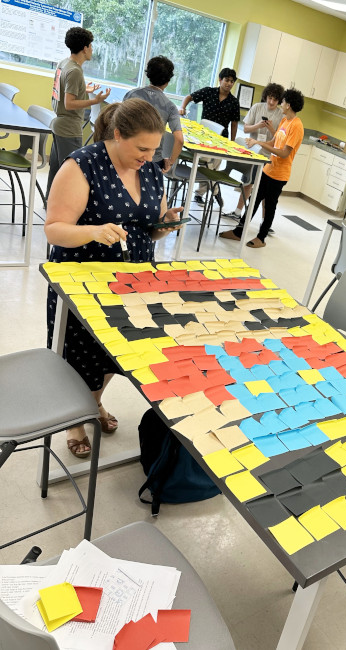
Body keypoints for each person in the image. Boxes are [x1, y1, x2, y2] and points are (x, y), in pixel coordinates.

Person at [45, 99, 184, 458]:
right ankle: (76, 420)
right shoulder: (83, 165)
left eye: (154, 149)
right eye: (142, 148)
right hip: (83, 281)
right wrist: (93, 231)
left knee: (111, 355)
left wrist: (164, 224)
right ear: (118, 134)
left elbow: (146, 231)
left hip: (132, 281)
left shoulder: (151, 171)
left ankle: (93, 405)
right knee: (81, 353)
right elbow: (55, 230)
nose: (148, 157)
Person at [219, 88, 304, 248]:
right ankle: (238, 232)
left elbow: (285, 152)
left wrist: (259, 143)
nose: (281, 104)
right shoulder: (285, 121)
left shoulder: (296, 126)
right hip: (268, 169)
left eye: (283, 101)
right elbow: (274, 142)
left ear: (288, 105)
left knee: (270, 205)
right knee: (254, 200)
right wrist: (259, 143)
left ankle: (261, 237)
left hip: (279, 174)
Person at [46, 26, 111, 194]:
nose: (92, 50)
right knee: (70, 172)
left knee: (56, 169)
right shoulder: (75, 71)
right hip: (68, 128)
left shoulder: (64, 63)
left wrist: (84, 90)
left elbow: (64, 91)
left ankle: (50, 202)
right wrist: (95, 100)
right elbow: (69, 103)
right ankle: (63, 210)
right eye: (91, 46)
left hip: (58, 124)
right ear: (84, 48)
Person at [222, 83, 285, 220]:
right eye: (269, 98)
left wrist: (271, 129)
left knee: (265, 190)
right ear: (266, 96)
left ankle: (264, 221)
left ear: (279, 100)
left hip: (268, 155)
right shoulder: (257, 107)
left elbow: (279, 139)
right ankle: (238, 212)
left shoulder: (281, 115)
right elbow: (245, 129)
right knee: (247, 182)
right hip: (252, 152)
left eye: (275, 99)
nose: (271, 102)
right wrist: (259, 125)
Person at [123, 55, 183, 173]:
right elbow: (179, 140)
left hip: (128, 155)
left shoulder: (131, 95)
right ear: (168, 81)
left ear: (148, 74)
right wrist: (170, 162)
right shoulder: (170, 106)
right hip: (152, 161)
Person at [178, 67, 240, 140]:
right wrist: (182, 108)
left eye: (232, 82)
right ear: (220, 79)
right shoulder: (208, 92)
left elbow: (234, 124)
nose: (229, 84)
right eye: (227, 80)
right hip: (203, 132)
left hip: (221, 137)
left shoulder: (234, 102)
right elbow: (188, 97)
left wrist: (232, 141)